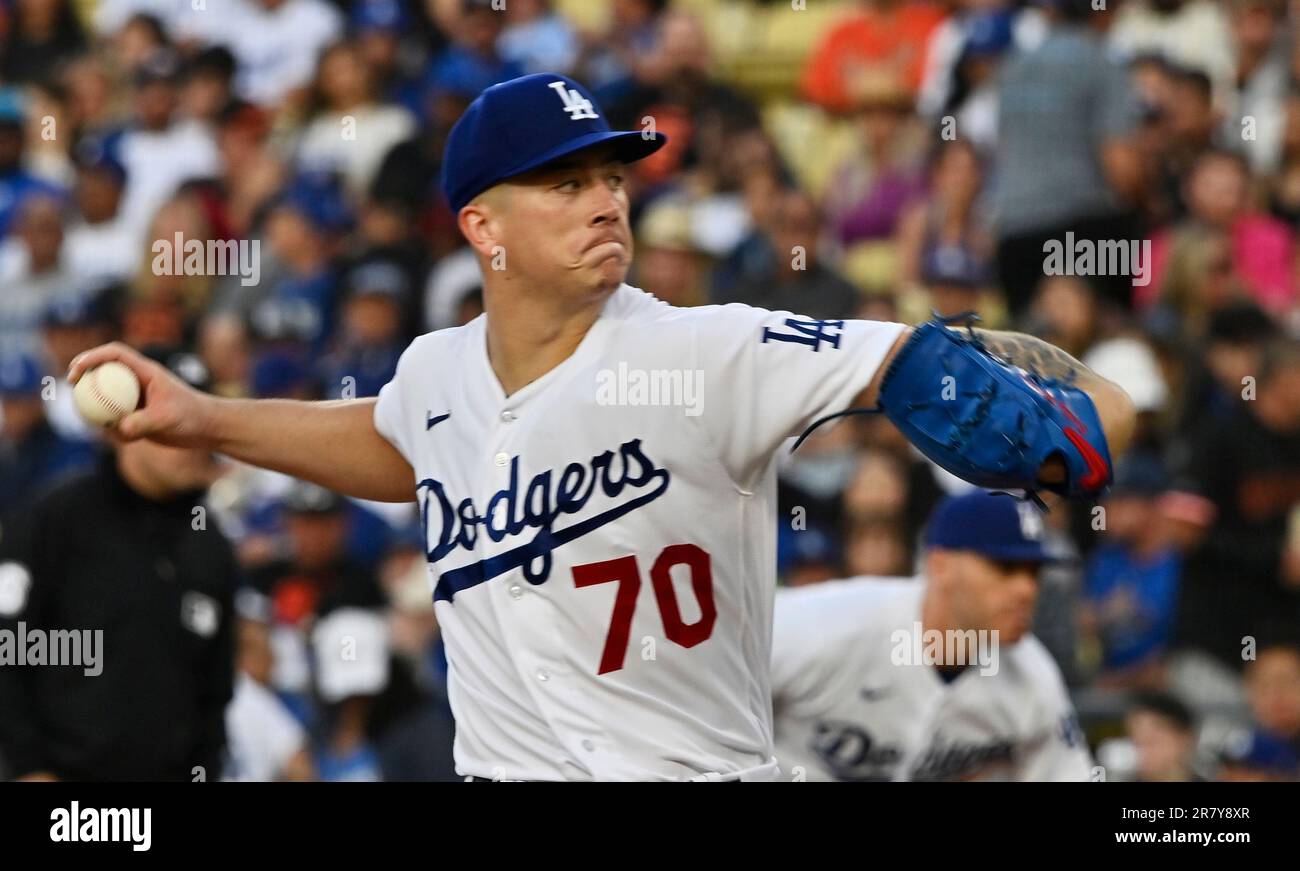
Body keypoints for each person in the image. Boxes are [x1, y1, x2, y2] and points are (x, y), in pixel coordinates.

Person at [67, 73, 1135, 782]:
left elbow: (903, 357)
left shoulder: (704, 349)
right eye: (565, 182)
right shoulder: (436, 370)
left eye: (612, 178)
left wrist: (1047, 412)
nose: (605, 202)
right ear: (480, 226)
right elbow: (400, 444)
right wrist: (204, 418)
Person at [0, 354, 235, 782]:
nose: (191, 444)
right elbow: (7, 648)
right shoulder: (54, 521)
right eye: (170, 427)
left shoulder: (210, 545)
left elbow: (215, 694)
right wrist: (27, 765)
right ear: (124, 428)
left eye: (197, 425)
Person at [770, 490, 1094, 782]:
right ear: (939, 565)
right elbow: (720, 697)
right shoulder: (824, 627)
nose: (1027, 589)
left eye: (1033, 572)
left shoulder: (1031, 674)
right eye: (1005, 567)